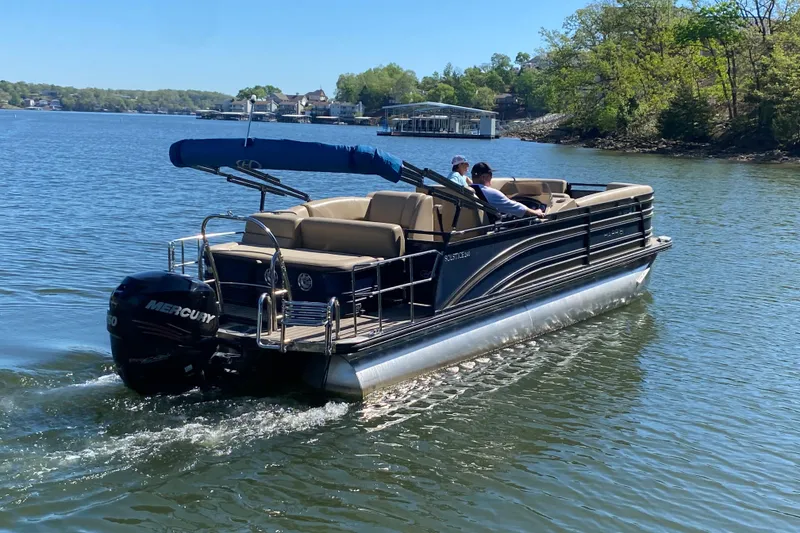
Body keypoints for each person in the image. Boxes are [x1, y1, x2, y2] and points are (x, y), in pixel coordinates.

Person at [470, 162, 544, 218]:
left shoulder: (469, 190)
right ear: (483, 177)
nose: (491, 178)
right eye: (490, 175)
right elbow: (518, 208)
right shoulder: (491, 193)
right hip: (495, 225)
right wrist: (536, 212)